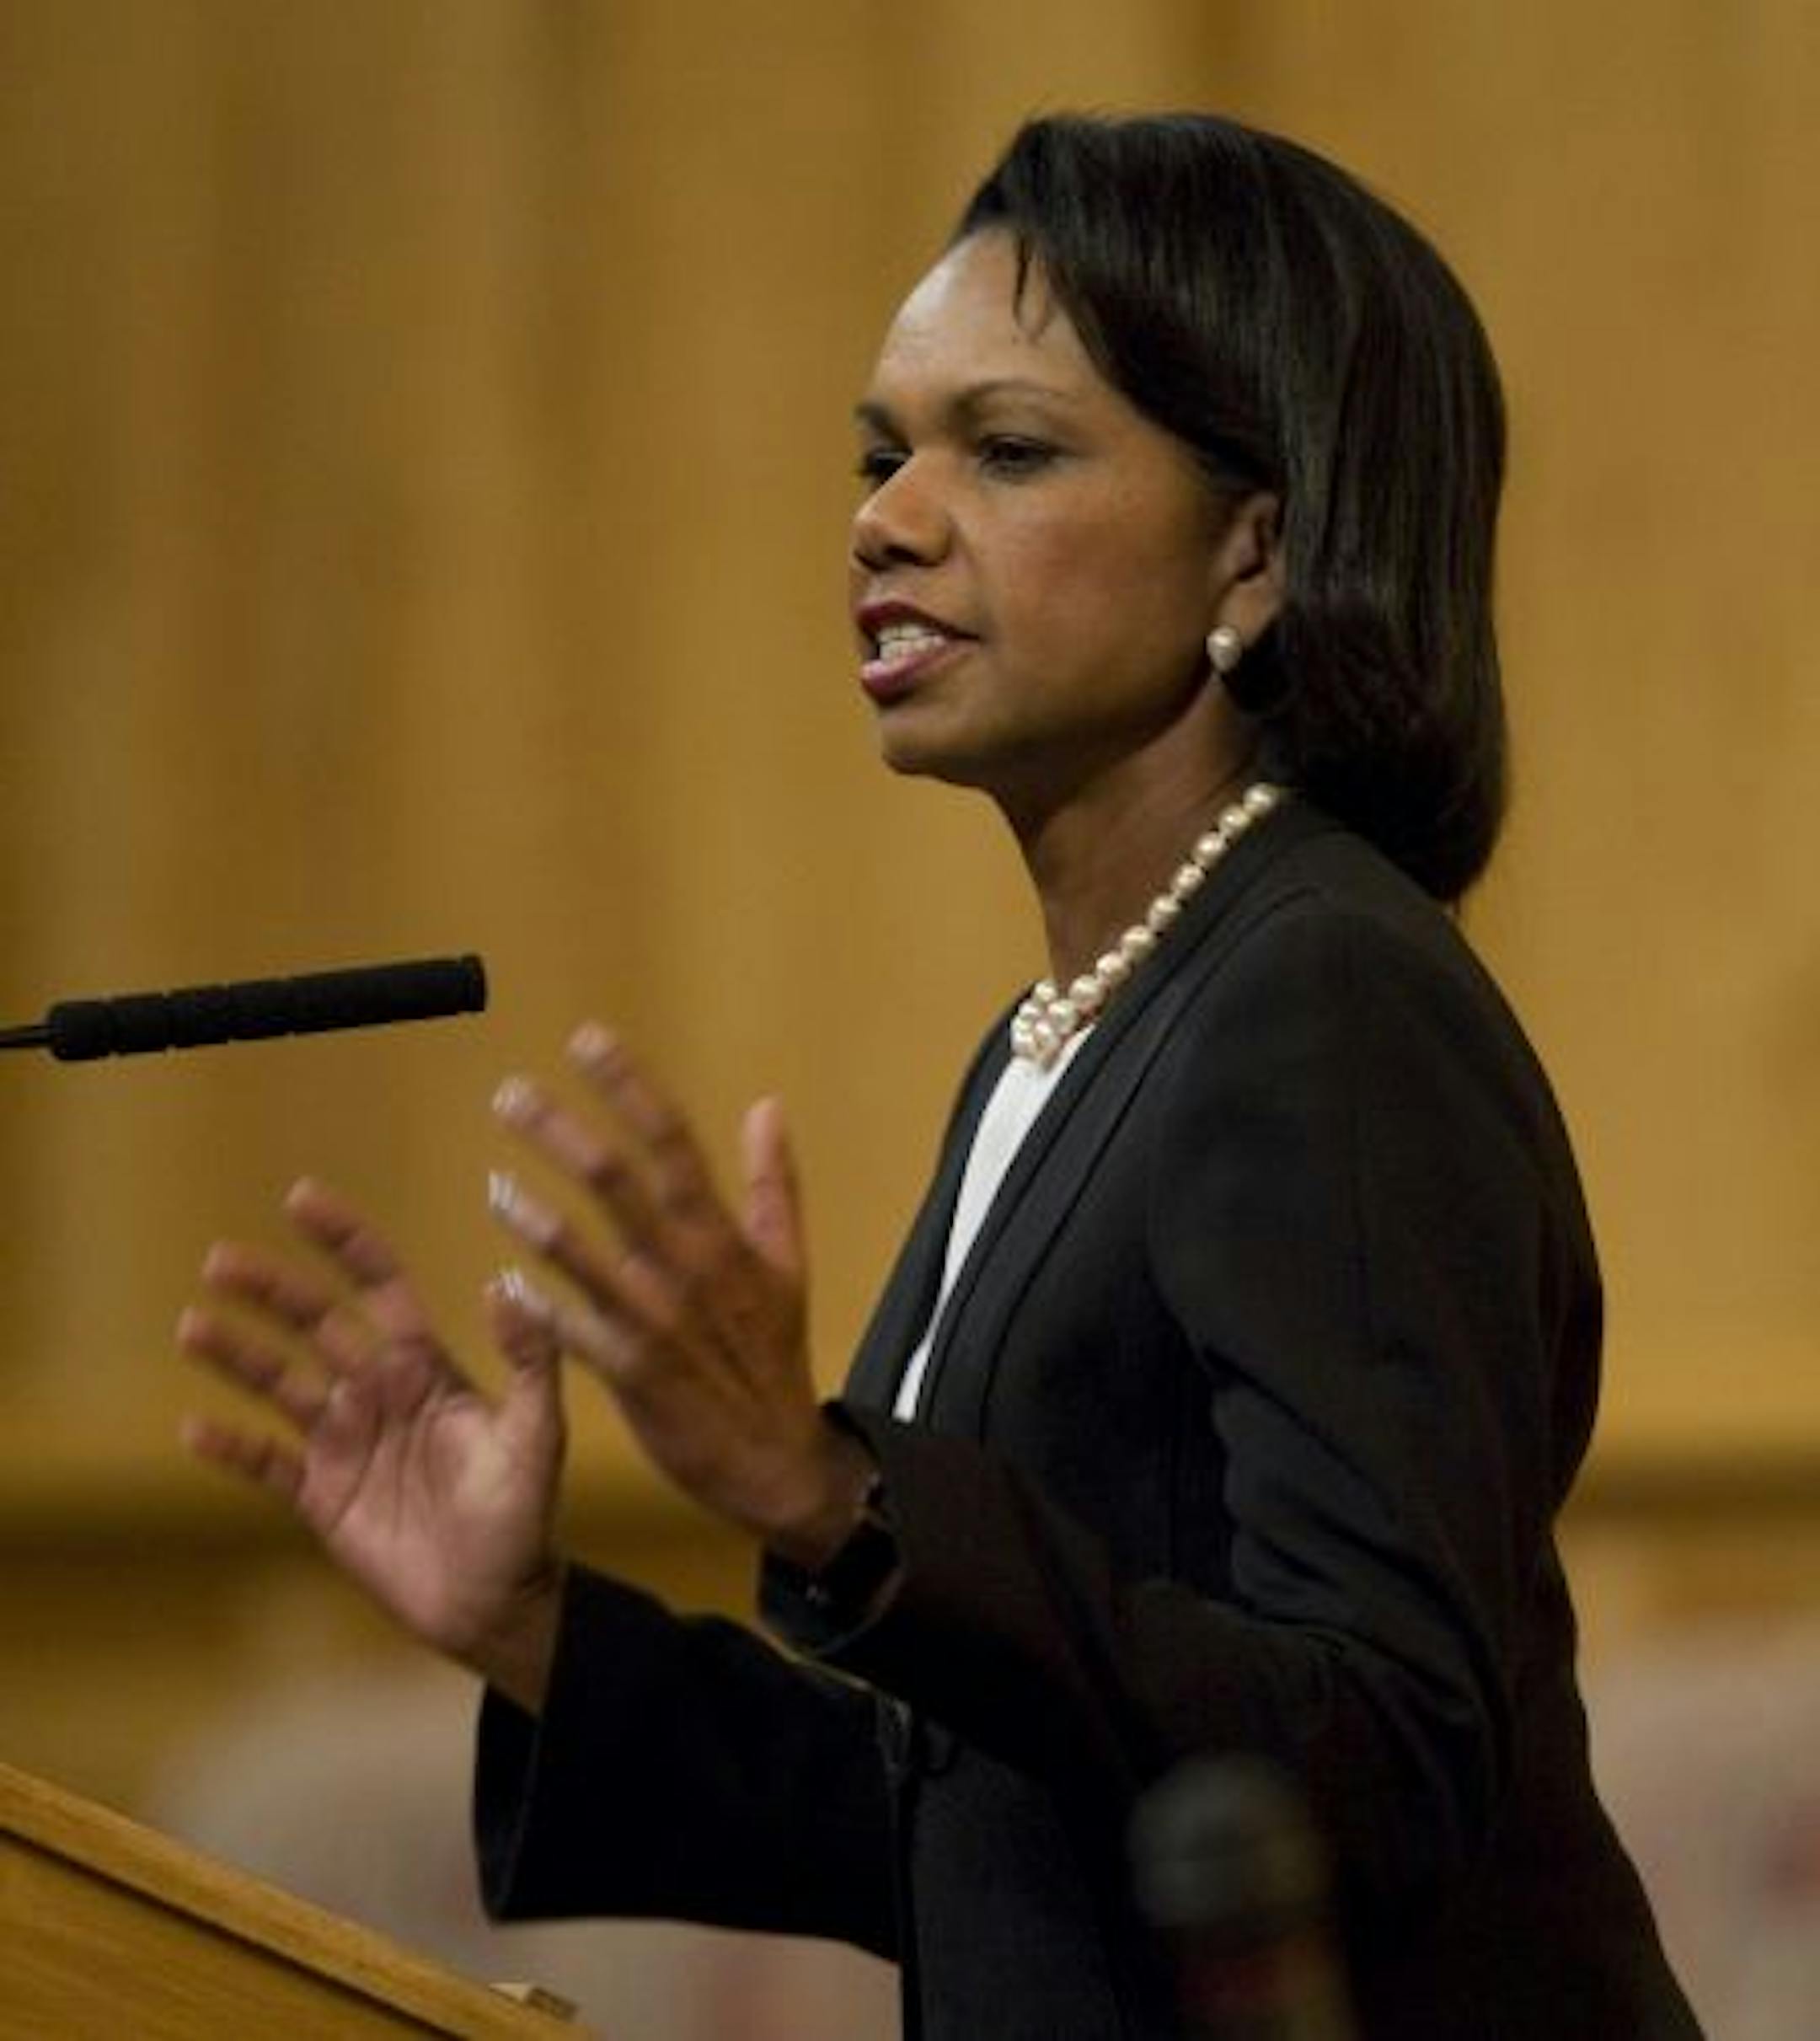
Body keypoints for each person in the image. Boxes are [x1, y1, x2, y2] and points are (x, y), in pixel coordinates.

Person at [179, 112, 1702, 2040]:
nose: (888, 516)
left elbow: (1379, 1762)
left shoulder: (1326, 1001)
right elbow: (995, 1817)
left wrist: (839, 1496)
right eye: (883, 451)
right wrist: (534, 1625)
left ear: (1261, 545)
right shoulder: (1072, 1037)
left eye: (1007, 446)